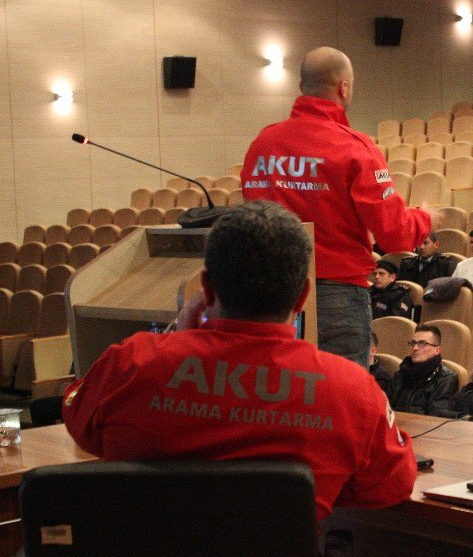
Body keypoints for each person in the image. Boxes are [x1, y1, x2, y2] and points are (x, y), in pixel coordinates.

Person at [61, 201, 416, 526]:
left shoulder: (132, 361)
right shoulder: (352, 390)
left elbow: (83, 429)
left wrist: (176, 342)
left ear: (207, 289)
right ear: (303, 296)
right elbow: (390, 486)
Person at [241, 46, 432, 368]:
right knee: (337, 396)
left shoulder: (263, 144)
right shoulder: (353, 147)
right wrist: (425, 219)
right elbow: (396, 235)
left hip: (269, 293)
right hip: (335, 294)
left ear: (302, 87)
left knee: (277, 390)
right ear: (344, 88)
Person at [385, 325, 459, 416]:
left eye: (422, 344)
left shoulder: (446, 379)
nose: (415, 348)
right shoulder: (400, 374)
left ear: (437, 350)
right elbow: (385, 407)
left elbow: (436, 416)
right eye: (413, 343)